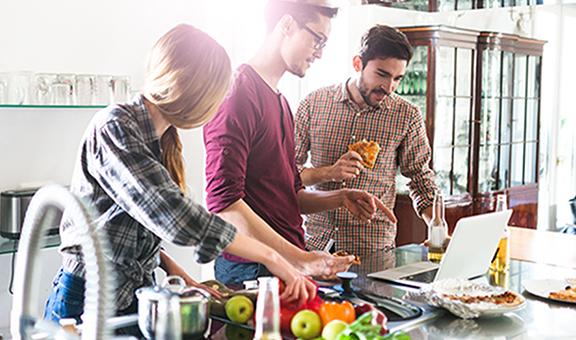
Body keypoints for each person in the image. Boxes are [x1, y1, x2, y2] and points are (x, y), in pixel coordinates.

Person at [43, 24, 317, 329]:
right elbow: (176, 217)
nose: (218, 106)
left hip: (128, 297)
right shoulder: (115, 127)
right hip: (86, 301)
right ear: (192, 88)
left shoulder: (159, 138)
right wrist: (275, 258)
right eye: (217, 95)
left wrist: (185, 279)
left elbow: (135, 234)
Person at [203, 0, 396, 285]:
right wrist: (300, 259)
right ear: (287, 25)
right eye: (317, 40)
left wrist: (340, 198)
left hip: (285, 264)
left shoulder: (281, 102)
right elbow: (224, 205)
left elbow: (289, 195)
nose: (319, 53)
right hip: (253, 269)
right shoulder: (238, 94)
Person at [294, 25, 438, 255]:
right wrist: (330, 172)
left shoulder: (407, 115)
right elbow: (288, 174)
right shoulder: (313, 104)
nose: (389, 87)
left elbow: (420, 177)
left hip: (374, 250)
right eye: (382, 74)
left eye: (397, 79)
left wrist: (436, 224)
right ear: (358, 64)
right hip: (315, 247)